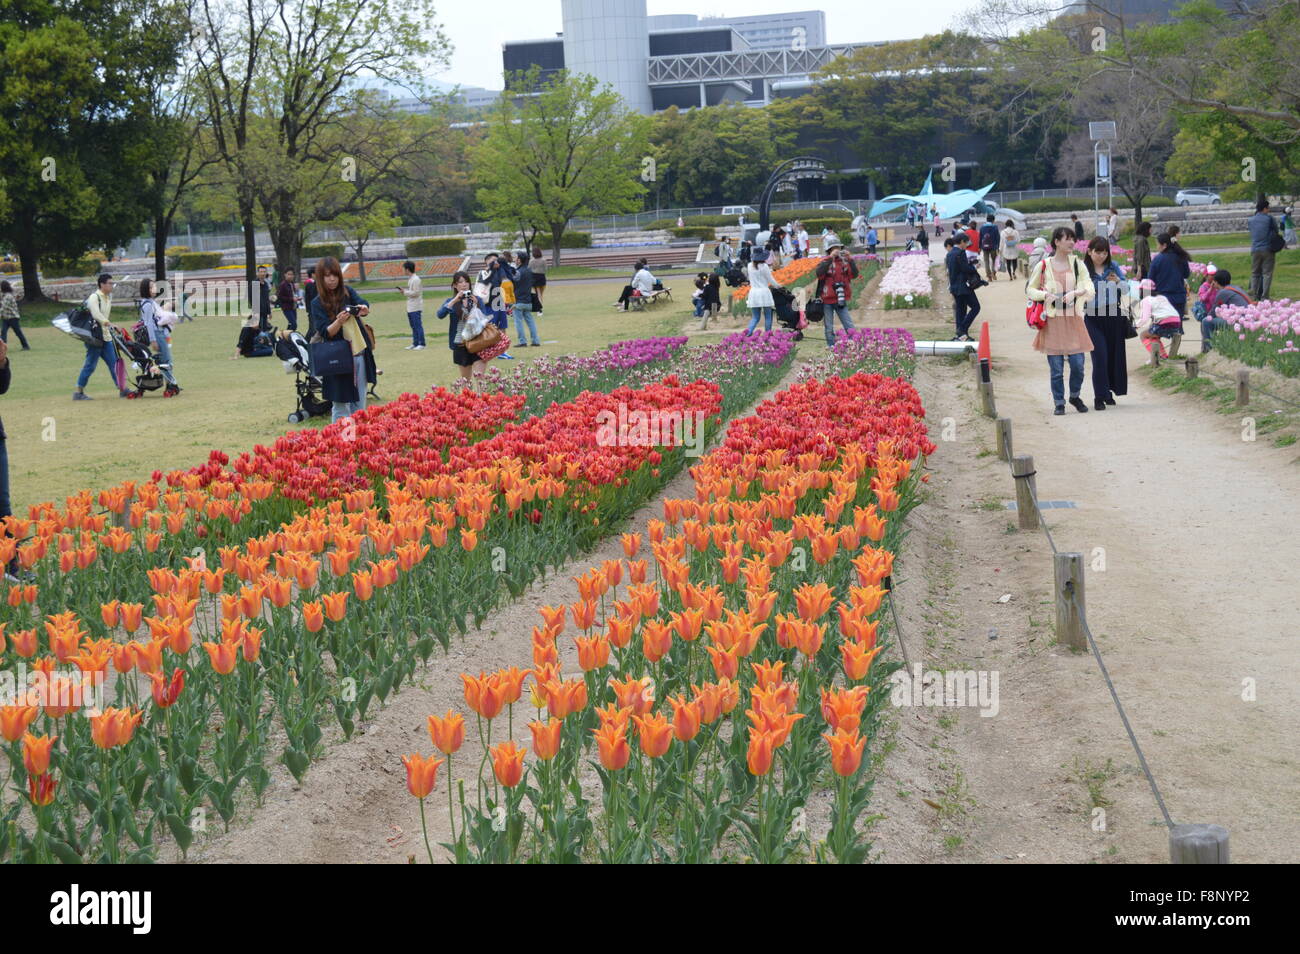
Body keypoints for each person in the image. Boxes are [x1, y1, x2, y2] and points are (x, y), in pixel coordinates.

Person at [1025, 227, 1094, 415]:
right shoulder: (1044, 265)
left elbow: (1089, 286)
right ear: (1056, 242)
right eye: (1067, 239)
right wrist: (1045, 294)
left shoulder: (1078, 264)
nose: (1072, 242)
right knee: (1056, 369)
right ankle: (1059, 402)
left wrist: (1077, 291)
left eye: (1073, 239)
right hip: (1053, 321)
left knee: (1078, 365)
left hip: (1073, 320)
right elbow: (1030, 290)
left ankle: (1074, 395)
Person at [309, 256, 371, 422]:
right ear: (320, 278)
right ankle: (342, 443)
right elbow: (325, 332)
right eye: (327, 276)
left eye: (335, 275)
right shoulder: (317, 303)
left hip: (358, 353)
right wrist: (338, 321)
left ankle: (358, 441)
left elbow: (362, 304)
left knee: (359, 402)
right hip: (337, 359)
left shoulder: (348, 292)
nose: (331, 279)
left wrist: (363, 308)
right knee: (341, 405)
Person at [1081, 237, 1127, 410]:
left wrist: (1118, 282)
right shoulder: (1084, 269)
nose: (1101, 256)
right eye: (1098, 252)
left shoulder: (1112, 267)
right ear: (1089, 251)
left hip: (1113, 315)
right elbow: (1081, 291)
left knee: (1113, 356)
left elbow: (1126, 289)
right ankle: (1099, 396)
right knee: (1099, 356)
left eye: (1104, 252)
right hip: (1093, 317)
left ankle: (1109, 392)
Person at [75, 273, 128, 400]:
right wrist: (110, 324)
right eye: (109, 283)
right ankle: (78, 392)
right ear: (102, 284)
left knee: (114, 363)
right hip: (94, 338)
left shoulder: (107, 298)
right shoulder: (94, 297)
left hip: (106, 337)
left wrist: (109, 327)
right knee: (90, 365)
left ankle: (122, 389)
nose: (112, 285)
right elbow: (96, 314)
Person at [437, 271, 491, 387]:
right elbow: (440, 315)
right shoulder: (450, 301)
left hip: (478, 342)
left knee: (480, 378)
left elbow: (485, 320)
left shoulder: (477, 299)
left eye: (466, 281)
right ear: (455, 286)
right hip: (460, 343)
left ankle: (482, 402)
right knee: (466, 381)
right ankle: (469, 403)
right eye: (460, 282)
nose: (464, 284)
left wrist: (478, 305)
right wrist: (455, 300)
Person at [1149, 231, 1191, 357]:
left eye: (1158, 244)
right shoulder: (1180, 257)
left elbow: (1150, 279)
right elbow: (1186, 274)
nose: (1157, 247)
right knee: (1177, 327)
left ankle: (1158, 356)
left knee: (1157, 327)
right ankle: (1173, 354)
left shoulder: (1158, 259)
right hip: (1179, 297)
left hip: (1163, 298)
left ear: (1164, 245)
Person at [139, 278, 180, 396]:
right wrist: (153, 340)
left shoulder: (151, 302)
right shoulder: (147, 304)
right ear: (147, 289)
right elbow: (149, 323)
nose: (155, 288)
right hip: (157, 334)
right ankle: (172, 384)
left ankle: (171, 384)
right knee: (166, 361)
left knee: (166, 360)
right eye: (152, 287)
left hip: (161, 333)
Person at [814, 241, 859, 347]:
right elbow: (819, 273)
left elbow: (855, 274)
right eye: (834, 248)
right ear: (830, 250)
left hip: (840, 298)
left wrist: (850, 259)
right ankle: (831, 346)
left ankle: (855, 344)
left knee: (848, 324)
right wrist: (830, 258)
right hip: (827, 298)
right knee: (828, 326)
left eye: (839, 248)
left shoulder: (845, 261)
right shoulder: (825, 261)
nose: (837, 251)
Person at [1201, 269, 1253, 353]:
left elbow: (1212, 314)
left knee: (1206, 321)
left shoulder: (1223, 292)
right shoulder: (1236, 288)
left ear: (1215, 282)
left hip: (1239, 323)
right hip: (1248, 321)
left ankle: (1208, 350)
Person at [1135, 279, 1183, 364]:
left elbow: (1144, 319)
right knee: (1153, 334)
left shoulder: (1146, 300)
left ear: (1142, 290)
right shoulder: (1162, 297)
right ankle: (1163, 356)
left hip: (1164, 323)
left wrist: (1134, 326)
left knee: (1143, 335)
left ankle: (1157, 357)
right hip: (1177, 322)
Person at [945, 233, 983, 341]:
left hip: (954, 286)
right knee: (976, 307)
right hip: (963, 287)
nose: (967, 245)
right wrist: (974, 267)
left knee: (960, 311)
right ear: (961, 242)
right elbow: (965, 268)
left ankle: (961, 336)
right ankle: (962, 329)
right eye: (966, 243)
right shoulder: (960, 253)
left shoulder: (950, 253)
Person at [1248, 198, 1281, 300]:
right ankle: (1264, 296)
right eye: (1268, 208)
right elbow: (1276, 230)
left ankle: (1253, 295)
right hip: (1267, 249)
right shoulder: (1269, 219)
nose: (1269, 210)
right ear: (1265, 208)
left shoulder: (1251, 220)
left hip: (1255, 249)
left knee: (1255, 273)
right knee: (1267, 273)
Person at [745, 248, 783, 335]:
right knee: (768, 316)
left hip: (754, 292)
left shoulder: (749, 265)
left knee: (755, 317)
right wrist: (778, 286)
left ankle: (748, 333)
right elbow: (771, 280)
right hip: (764, 293)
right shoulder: (764, 266)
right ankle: (767, 335)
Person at [511, 251, 540, 347]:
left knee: (518, 322)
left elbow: (512, 283)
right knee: (530, 321)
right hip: (528, 301)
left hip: (518, 301)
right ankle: (535, 340)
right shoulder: (529, 271)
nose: (514, 259)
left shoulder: (518, 272)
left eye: (515, 258)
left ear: (519, 260)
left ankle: (522, 341)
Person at [397, 261, 425, 350]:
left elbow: (416, 293)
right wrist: (405, 292)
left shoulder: (416, 279)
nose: (403, 271)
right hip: (411, 306)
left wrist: (405, 292)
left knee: (417, 325)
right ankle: (415, 343)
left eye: (404, 269)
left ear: (407, 269)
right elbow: (412, 292)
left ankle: (422, 343)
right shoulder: (411, 279)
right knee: (413, 326)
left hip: (415, 307)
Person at [0, 281, 29, 350]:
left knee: (18, 333)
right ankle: (2, 348)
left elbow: (4, 307)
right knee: (3, 333)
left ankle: (26, 346)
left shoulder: (8, 296)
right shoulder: (5, 295)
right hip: (5, 318)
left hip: (13, 318)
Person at [978, 213, 1001, 281]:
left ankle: (989, 276)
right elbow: (998, 237)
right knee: (994, 260)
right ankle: (993, 273)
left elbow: (980, 238)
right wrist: (998, 247)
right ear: (993, 220)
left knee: (986, 261)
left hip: (984, 247)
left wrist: (979, 247)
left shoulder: (982, 227)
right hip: (993, 246)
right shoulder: (995, 227)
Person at [276, 267, 299, 332]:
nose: (290, 276)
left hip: (293, 307)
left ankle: (285, 338)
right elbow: (279, 297)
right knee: (294, 324)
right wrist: (291, 299)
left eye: (292, 274)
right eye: (288, 274)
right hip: (286, 308)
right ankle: (287, 337)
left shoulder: (292, 284)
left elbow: (292, 294)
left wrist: (296, 298)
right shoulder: (283, 285)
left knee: (291, 324)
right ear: (285, 275)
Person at [530, 247, 548, 315]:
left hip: (534, 277)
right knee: (540, 294)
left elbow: (529, 269)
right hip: (542, 277)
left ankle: (539, 309)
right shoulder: (544, 260)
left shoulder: (531, 261)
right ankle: (539, 309)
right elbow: (546, 269)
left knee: (538, 294)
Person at [256, 265, 272, 332]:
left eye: (264, 272)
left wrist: (269, 312)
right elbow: (252, 300)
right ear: (257, 273)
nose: (262, 273)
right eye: (261, 272)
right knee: (259, 331)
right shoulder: (255, 284)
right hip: (258, 313)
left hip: (265, 312)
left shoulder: (266, 284)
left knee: (265, 330)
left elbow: (266, 299)